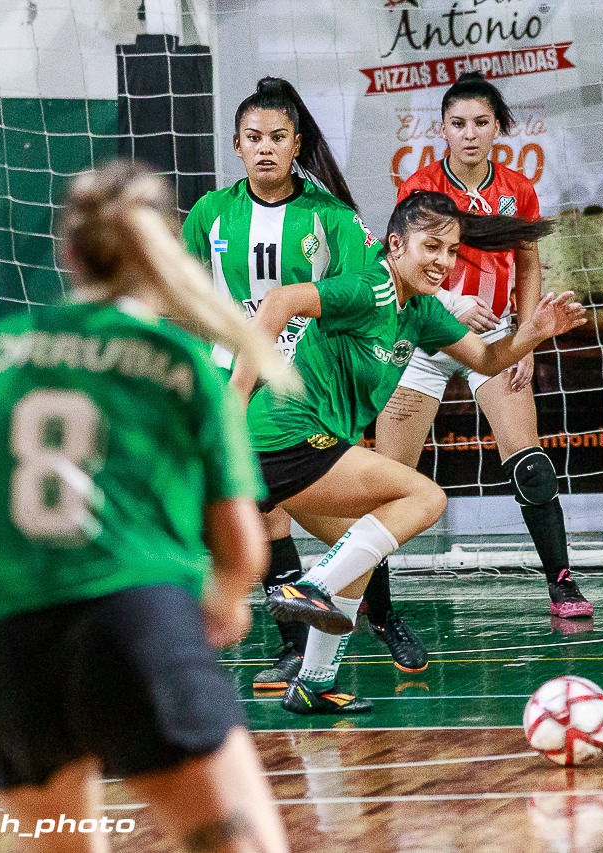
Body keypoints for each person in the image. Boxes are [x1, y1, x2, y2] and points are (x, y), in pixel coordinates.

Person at [0, 162, 292, 851]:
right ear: (163, 250)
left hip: (0, 651)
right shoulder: (180, 362)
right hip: (134, 628)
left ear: (68, 253)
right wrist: (226, 598)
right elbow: (244, 548)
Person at [234, 190, 585, 716]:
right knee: (426, 498)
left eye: (452, 251)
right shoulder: (370, 287)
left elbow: (487, 359)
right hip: (283, 436)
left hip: (297, 449)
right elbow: (280, 301)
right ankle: (311, 587)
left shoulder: (419, 310)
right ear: (396, 245)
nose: (443, 261)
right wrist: (233, 400)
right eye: (431, 247)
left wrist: (532, 331)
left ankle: (313, 683)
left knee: (360, 552)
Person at [183, 76, 429, 682]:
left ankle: (381, 616)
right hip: (230, 382)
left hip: (303, 388)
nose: (265, 147)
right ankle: (296, 650)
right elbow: (182, 293)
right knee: (267, 515)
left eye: (277, 137)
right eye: (253, 138)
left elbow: (369, 294)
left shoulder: (333, 219)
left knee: (342, 522)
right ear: (236, 146)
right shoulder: (211, 213)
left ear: (297, 144)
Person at [375, 72, 593, 619]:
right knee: (386, 479)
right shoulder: (420, 187)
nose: (469, 134)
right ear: (442, 130)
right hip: (423, 333)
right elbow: (399, 264)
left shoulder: (518, 188)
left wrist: (527, 338)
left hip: (495, 335)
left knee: (531, 465)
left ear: (498, 128)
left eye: (480, 123)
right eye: (458, 124)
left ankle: (562, 586)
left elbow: (528, 264)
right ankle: (373, 603)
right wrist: (451, 303)